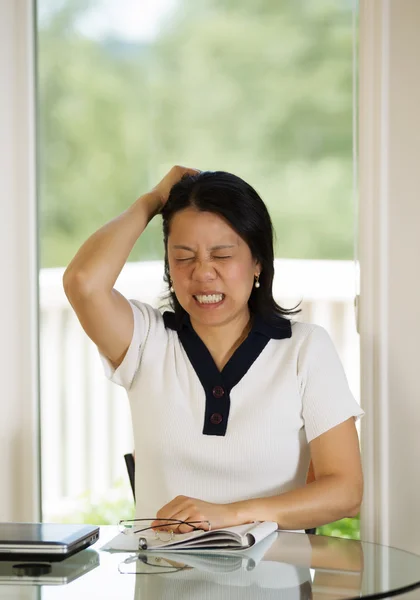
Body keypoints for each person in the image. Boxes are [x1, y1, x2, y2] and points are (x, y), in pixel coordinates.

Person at [63, 165, 364, 535]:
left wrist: (230, 514)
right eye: (184, 257)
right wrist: (153, 200)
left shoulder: (305, 349)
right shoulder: (144, 341)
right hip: (163, 584)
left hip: (273, 586)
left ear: (257, 262)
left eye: (221, 255)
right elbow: (83, 283)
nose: (203, 273)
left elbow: (346, 492)